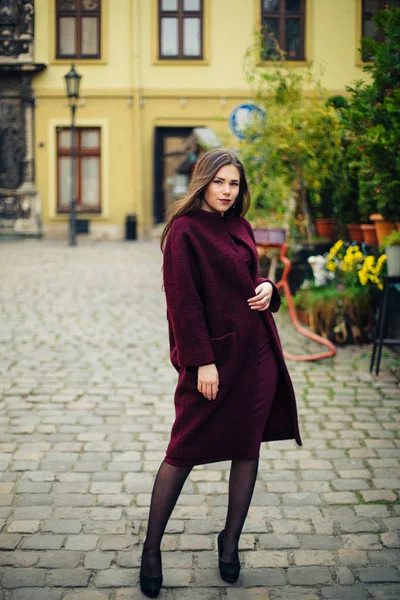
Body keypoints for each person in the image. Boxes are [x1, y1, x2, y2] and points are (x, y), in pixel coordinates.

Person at [140, 148, 302, 597]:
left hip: (258, 352)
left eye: (234, 183)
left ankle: (229, 543)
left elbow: (252, 279)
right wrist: (201, 362)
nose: (227, 191)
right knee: (184, 448)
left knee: (248, 447)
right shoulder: (184, 233)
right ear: (203, 182)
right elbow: (182, 302)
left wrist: (267, 288)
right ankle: (152, 549)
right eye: (220, 182)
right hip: (214, 360)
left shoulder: (240, 225)